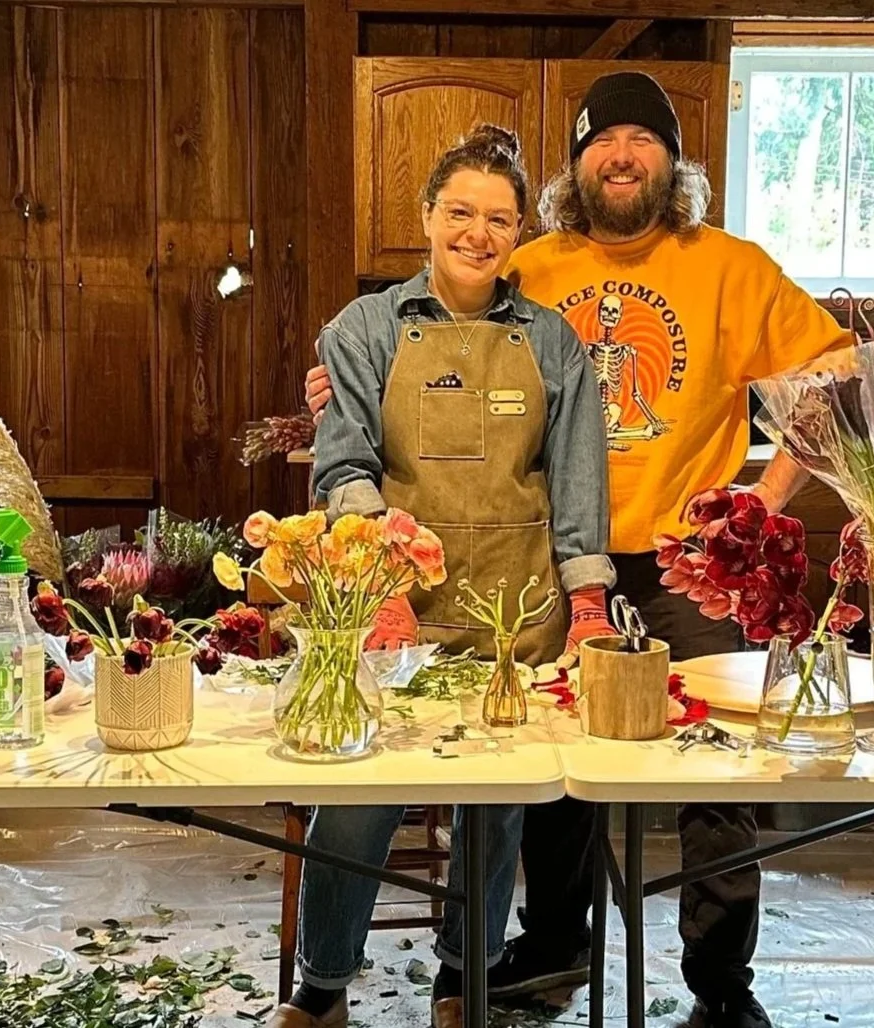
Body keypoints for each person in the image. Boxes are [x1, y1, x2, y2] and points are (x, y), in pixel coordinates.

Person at [306, 73, 851, 1027]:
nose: (624, 155)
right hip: (555, 559)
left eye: (646, 139)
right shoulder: (534, 265)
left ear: (674, 162)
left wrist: (762, 500)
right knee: (555, 773)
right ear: (574, 165)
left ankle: (722, 983)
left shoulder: (731, 266)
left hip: (692, 562)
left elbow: (839, 373)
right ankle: (554, 945)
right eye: (605, 139)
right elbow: (440, 347)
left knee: (715, 768)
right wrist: (341, 395)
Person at [269, 125, 616, 1028]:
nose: (477, 233)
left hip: (517, 609)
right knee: (357, 797)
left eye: (498, 218)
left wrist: (587, 601)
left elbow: (577, 475)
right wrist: (374, 571)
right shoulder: (364, 329)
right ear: (425, 218)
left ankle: (464, 977)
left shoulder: (552, 342)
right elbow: (341, 465)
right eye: (459, 212)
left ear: (517, 234)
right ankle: (322, 985)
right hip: (394, 610)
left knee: (492, 813)